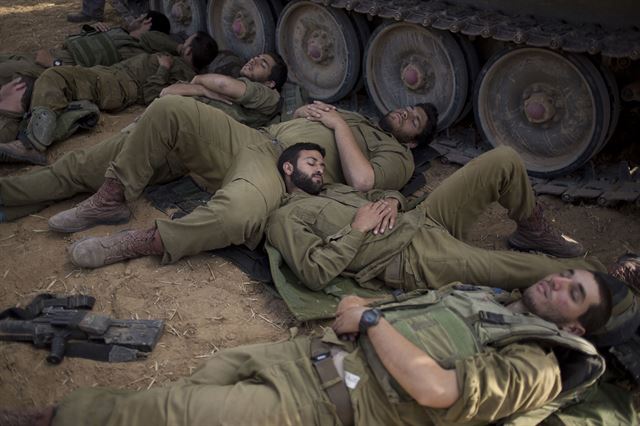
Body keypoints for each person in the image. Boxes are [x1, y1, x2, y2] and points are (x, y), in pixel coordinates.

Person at [0, 269, 617, 425]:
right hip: (306, 357)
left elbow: (436, 391)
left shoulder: (538, 364)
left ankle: (48, 418)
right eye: (567, 275)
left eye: (574, 292)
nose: (558, 282)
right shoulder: (487, 299)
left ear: (577, 330)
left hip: (328, 405)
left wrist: (370, 317)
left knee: (173, 412)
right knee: (202, 379)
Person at [0, 96, 438, 267]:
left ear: (415, 141)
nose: (402, 113)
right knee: (167, 110)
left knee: (239, 212)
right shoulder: (358, 115)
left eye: (412, 119)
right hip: (252, 140)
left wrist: (337, 124)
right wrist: (308, 114)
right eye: (406, 107)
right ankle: (109, 196)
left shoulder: (395, 154)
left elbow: (363, 180)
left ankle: (143, 241)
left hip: (279, 173)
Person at [267, 143, 599, 292]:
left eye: (322, 165)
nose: (320, 169)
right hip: (409, 256)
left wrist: (394, 202)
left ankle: (532, 229)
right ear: (288, 169)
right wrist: (357, 229)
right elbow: (314, 272)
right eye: (312, 163)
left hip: (422, 218)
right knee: (526, 270)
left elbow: (382, 195)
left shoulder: (333, 189)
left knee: (503, 159)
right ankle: (608, 276)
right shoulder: (286, 217)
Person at [0, 32, 218, 164]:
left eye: (185, 43)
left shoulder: (184, 76)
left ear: (189, 52)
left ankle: (33, 145)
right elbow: (147, 37)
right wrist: (179, 47)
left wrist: (162, 69)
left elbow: (157, 96)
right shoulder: (175, 58)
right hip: (109, 76)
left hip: (118, 84)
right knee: (28, 80)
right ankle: (16, 132)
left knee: (54, 76)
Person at [0, 11, 175, 87]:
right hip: (48, 56)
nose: (133, 19)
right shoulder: (118, 32)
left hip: (53, 68)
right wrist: (92, 31)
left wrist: (55, 63)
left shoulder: (134, 53)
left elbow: (98, 76)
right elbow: (76, 45)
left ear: (147, 21)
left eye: (139, 16)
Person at [158, 52, 288, 128]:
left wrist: (199, 82)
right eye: (256, 57)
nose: (254, 60)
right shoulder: (234, 84)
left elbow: (223, 84)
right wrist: (203, 90)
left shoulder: (269, 95)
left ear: (269, 83)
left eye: (262, 64)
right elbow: (166, 92)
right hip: (175, 117)